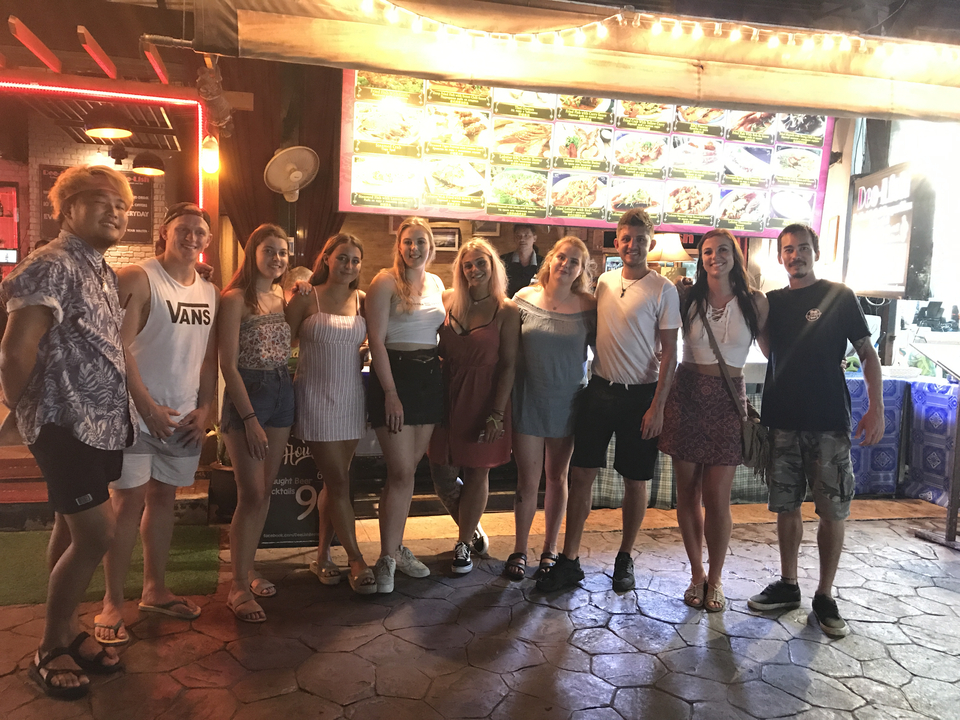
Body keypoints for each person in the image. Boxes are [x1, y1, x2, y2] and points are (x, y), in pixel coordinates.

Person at [0, 165, 134, 698]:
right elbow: (15, 348)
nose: (117, 212)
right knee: (98, 533)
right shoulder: (52, 263)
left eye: (122, 204)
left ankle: (68, 630)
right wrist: (23, 408)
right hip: (64, 421)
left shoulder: (99, 268)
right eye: (101, 200)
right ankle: (52, 646)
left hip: (99, 424)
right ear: (68, 208)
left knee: (69, 528)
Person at [748, 223, 883, 637]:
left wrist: (875, 408)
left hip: (828, 421)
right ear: (780, 257)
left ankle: (824, 594)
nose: (795, 256)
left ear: (815, 252)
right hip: (782, 420)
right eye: (787, 250)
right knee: (786, 506)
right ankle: (789, 585)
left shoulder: (839, 295)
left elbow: (866, 353)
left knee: (832, 509)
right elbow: (769, 351)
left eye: (802, 248)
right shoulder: (771, 302)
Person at [537, 210, 680, 593]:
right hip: (599, 390)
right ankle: (569, 559)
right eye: (626, 238)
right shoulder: (602, 282)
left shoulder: (664, 289)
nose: (632, 245)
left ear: (650, 241)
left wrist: (658, 407)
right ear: (617, 242)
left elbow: (670, 354)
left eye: (640, 238)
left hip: (641, 396)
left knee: (635, 481)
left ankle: (625, 557)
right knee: (580, 475)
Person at [95, 203, 218, 642]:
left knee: (163, 502)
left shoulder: (209, 291)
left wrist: (206, 410)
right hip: (135, 415)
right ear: (164, 233)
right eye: (183, 229)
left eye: (200, 232)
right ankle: (112, 603)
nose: (192, 237)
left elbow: (206, 359)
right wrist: (145, 406)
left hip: (183, 418)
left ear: (208, 240)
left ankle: (155, 589)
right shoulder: (140, 278)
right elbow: (118, 346)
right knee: (126, 505)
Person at [659, 229, 768, 612]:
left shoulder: (756, 301)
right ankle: (696, 575)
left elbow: (773, 348)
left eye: (723, 250)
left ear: (734, 256)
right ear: (700, 258)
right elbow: (665, 346)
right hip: (686, 396)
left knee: (718, 497)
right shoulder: (687, 297)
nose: (714, 257)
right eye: (707, 251)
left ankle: (717, 578)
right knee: (686, 493)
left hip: (727, 400)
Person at [286, 232, 377, 594]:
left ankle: (322, 557)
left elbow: (374, 340)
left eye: (355, 260)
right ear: (327, 258)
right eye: (342, 258)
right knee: (339, 482)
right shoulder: (307, 297)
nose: (349, 266)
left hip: (352, 399)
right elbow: (282, 344)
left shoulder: (364, 301)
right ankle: (356, 558)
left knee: (333, 483)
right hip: (314, 398)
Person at [505, 236, 596, 581]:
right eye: (562, 257)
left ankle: (550, 548)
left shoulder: (588, 306)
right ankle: (519, 548)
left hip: (569, 401)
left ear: (581, 270)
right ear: (550, 260)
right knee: (526, 481)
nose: (566, 265)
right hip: (528, 397)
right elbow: (509, 354)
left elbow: (607, 349)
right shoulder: (522, 299)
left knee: (558, 478)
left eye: (575, 261)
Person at [428, 238, 519, 574]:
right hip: (446, 393)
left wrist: (496, 413)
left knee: (477, 471)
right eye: (467, 265)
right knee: (442, 475)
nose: (474, 270)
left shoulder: (506, 309)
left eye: (481, 263)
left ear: (493, 266)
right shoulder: (447, 301)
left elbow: (509, 364)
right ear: (460, 270)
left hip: (485, 397)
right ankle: (473, 525)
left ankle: (463, 543)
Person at [218, 224, 295, 622]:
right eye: (270, 251)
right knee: (249, 493)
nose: (277, 258)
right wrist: (249, 419)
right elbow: (227, 365)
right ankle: (235, 586)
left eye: (283, 252)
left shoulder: (282, 295)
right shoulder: (234, 299)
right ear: (253, 252)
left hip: (283, 389)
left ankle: (247, 569)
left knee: (264, 492)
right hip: (248, 395)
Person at [366, 217, 444, 593]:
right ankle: (385, 557)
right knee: (399, 471)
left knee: (409, 471)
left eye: (420, 242)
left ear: (431, 246)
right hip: (394, 377)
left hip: (429, 377)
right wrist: (391, 393)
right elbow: (377, 342)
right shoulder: (384, 282)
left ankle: (395, 550)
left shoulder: (437, 283)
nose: (414, 248)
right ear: (399, 246)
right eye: (408, 242)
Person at [500, 223, 540, 298]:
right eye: (518, 236)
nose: (522, 239)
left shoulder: (543, 263)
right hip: (508, 305)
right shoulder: (503, 261)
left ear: (534, 238)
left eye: (526, 235)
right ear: (514, 238)